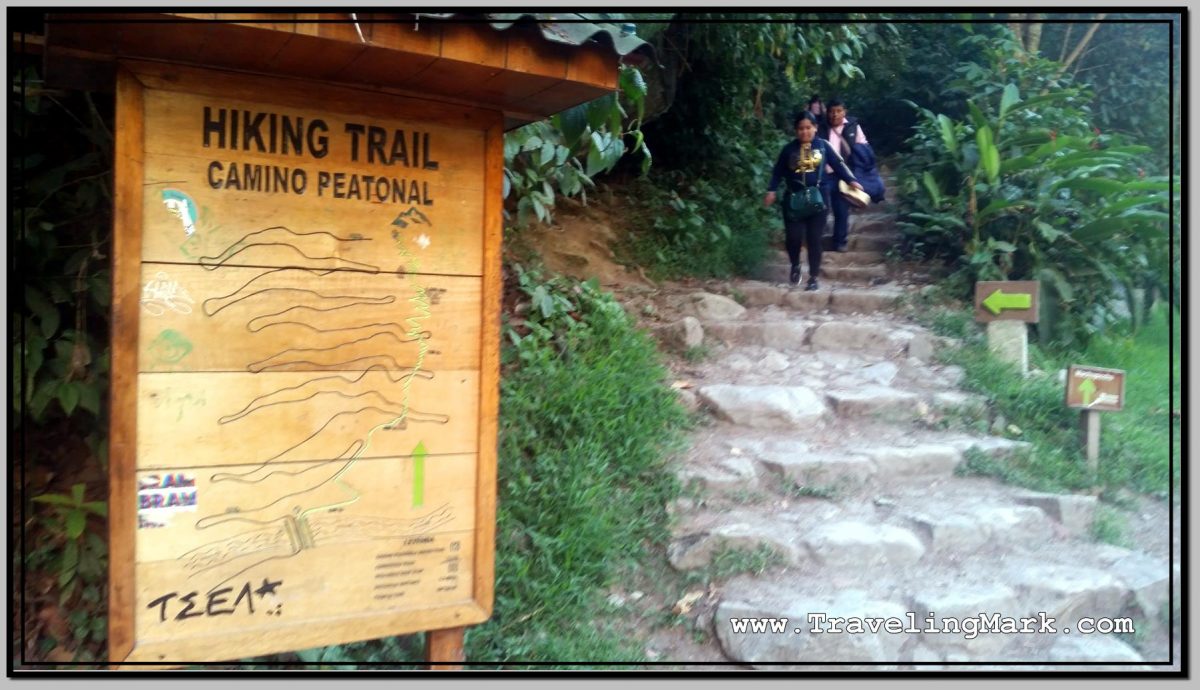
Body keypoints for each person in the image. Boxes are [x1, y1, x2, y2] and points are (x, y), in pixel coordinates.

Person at [764, 111, 863, 291]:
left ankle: (814, 277)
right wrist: (771, 190)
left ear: (815, 128)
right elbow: (778, 171)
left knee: (814, 239)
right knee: (793, 238)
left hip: (819, 199)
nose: (805, 132)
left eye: (808, 127)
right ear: (796, 130)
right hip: (793, 199)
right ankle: (795, 264)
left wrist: (852, 180)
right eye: (801, 128)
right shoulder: (788, 149)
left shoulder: (823, 146)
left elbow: (838, 165)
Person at [818, 98, 869, 252]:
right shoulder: (820, 127)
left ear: (844, 112)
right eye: (832, 111)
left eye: (838, 111)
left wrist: (858, 171)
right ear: (827, 112)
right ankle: (816, 241)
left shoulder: (853, 127)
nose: (835, 115)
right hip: (824, 175)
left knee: (841, 209)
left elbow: (863, 146)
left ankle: (840, 242)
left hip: (845, 175)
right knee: (821, 208)